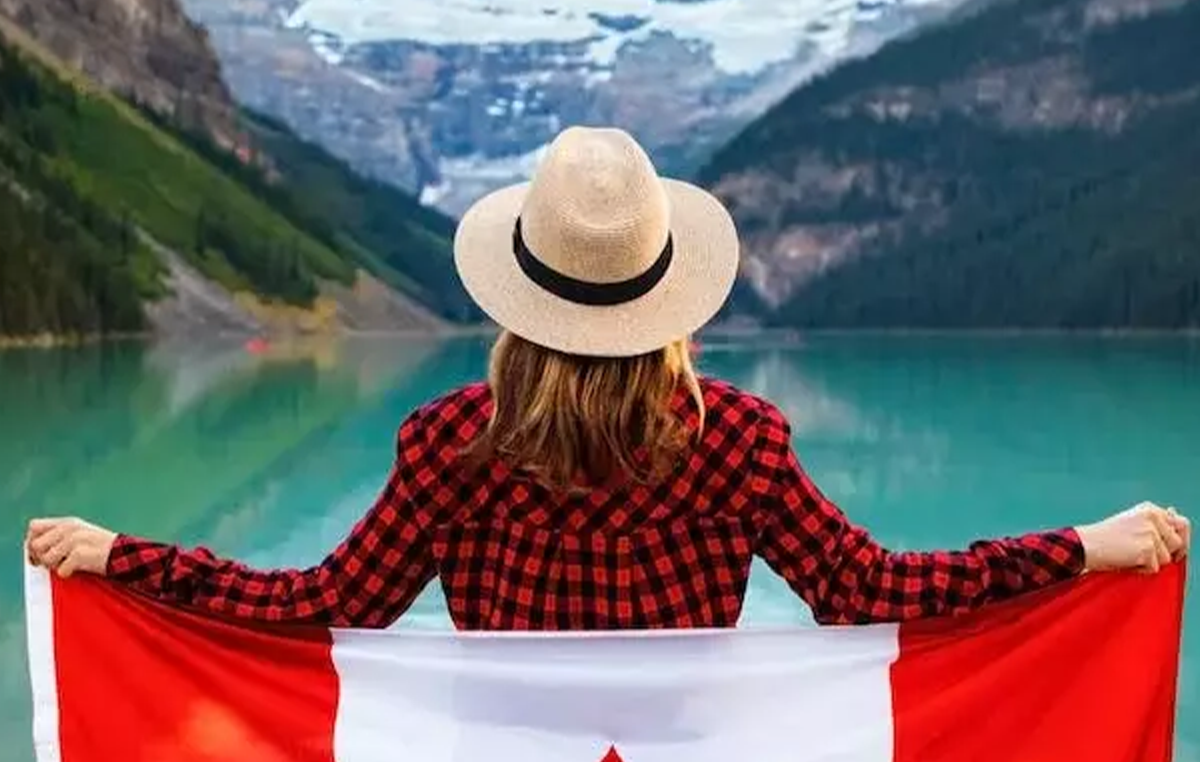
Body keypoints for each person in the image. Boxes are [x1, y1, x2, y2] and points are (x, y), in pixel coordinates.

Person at [26, 127, 1189, 626]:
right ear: (668, 296)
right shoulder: (738, 438)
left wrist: (126, 558)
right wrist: (1086, 548)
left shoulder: (450, 444)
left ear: (516, 293)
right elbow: (869, 591)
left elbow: (322, 608)